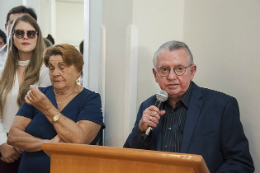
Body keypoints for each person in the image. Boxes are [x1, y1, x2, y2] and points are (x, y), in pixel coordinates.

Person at [124, 41, 254, 173]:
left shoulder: (221, 106)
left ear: (192, 72)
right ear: (155, 75)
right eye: (164, 69)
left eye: (179, 68)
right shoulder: (148, 106)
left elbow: (240, 162)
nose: (171, 76)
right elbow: (127, 161)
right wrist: (140, 130)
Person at [7, 44, 105, 173]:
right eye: (51, 68)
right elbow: (13, 136)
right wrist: (47, 144)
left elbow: (79, 139)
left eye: (62, 67)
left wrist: (47, 108)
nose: (55, 73)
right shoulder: (38, 94)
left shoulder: (90, 99)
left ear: (78, 70)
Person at [0, 15, 51, 172]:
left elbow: (45, 111)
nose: (25, 37)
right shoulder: (2, 73)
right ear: (12, 37)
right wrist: (2, 143)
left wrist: (24, 141)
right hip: (6, 149)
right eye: (19, 33)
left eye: (31, 33)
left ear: (37, 36)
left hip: (36, 147)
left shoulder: (47, 71)